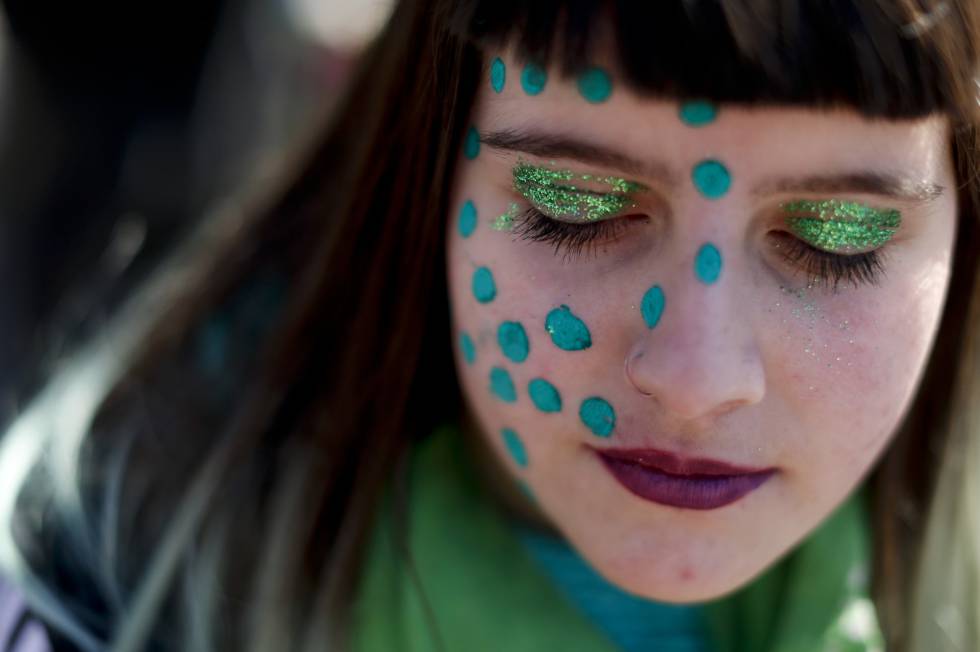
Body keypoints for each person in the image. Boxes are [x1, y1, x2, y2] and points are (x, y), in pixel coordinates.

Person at [0, 1, 978, 650]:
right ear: (426, 175)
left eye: (836, 234)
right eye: (573, 205)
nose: (694, 373)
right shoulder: (95, 589)